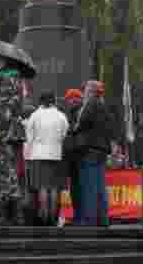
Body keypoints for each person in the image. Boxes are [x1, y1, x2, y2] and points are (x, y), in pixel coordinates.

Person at [65, 81, 115, 226]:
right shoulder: (104, 106)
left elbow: (81, 123)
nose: (84, 91)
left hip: (89, 150)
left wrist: (72, 129)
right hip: (101, 151)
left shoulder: (91, 104)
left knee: (89, 186)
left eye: (85, 89)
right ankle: (102, 219)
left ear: (91, 91)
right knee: (100, 186)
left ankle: (89, 219)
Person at [0, 68, 26, 224]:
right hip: (12, 138)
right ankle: (17, 214)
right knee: (12, 175)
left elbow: (3, 118)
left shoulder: (4, 95)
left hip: (3, 139)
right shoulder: (16, 91)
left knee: (2, 174)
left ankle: (1, 214)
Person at [24, 92, 70, 227]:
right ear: (54, 101)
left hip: (38, 155)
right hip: (56, 154)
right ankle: (53, 218)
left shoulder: (35, 115)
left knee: (42, 187)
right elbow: (64, 134)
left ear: (40, 102)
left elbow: (29, 137)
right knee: (55, 187)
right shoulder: (61, 116)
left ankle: (44, 217)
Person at [61, 88, 85, 225]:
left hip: (77, 156)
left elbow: (73, 132)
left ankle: (79, 216)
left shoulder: (79, 113)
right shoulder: (72, 113)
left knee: (78, 188)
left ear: (76, 99)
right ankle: (78, 215)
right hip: (74, 156)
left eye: (70, 99)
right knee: (76, 187)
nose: (68, 102)